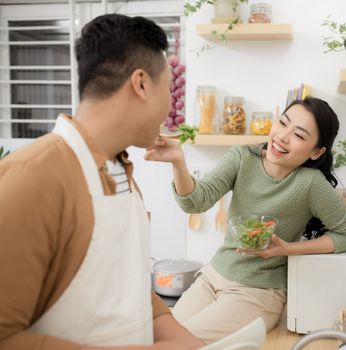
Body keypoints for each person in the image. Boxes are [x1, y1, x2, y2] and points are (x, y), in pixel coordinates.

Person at [0, 14, 203, 350]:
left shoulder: (123, 175)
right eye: (167, 88)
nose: (170, 105)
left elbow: (133, 291)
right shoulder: (31, 178)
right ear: (140, 84)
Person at [145, 96, 346, 343]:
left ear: (316, 152)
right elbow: (196, 202)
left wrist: (288, 249)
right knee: (156, 335)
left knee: (178, 343)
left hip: (259, 292)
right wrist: (178, 162)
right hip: (213, 275)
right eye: (283, 123)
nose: (282, 136)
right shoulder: (242, 157)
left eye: (299, 135)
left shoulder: (311, 184)